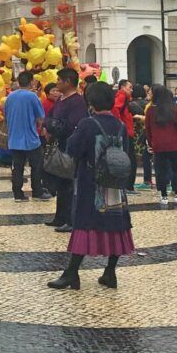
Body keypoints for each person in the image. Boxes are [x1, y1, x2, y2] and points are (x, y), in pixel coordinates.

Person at [48, 81, 134, 290]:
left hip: (91, 184)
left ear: (91, 101)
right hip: (115, 184)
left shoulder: (88, 124)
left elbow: (72, 149)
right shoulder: (120, 125)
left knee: (85, 224)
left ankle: (71, 273)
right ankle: (110, 272)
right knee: (116, 224)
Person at [43, 68, 88, 232]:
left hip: (70, 148)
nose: (57, 83)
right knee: (61, 183)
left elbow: (70, 127)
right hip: (59, 146)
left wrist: (52, 126)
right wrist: (48, 126)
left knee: (69, 184)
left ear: (68, 82)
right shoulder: (60, 100)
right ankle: (60, 216)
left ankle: (69, 219)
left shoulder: (77, 102)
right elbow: (49, 117)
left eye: (59, 80)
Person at [4, 71, 49, 201]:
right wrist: (41, 128)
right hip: (30, 138)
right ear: (31, 81)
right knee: (36, 166)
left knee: (17, 168)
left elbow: (6, 116)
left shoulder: (10, 97)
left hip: (14, 138)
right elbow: (40, 117)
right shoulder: (32, 96)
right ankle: (37, 191)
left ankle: (18, 194)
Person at [146, 84, 177, 206]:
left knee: (160, 170)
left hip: (158, 145)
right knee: (176, 169)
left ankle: (163, 196)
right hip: (174, 144)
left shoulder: (151, 110)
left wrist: (151, 141)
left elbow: (147, 129)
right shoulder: (173, 108)